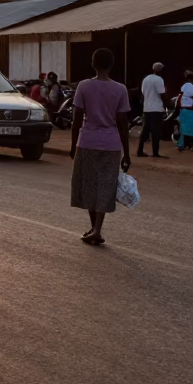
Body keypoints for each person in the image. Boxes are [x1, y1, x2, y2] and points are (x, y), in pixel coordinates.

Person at [70, 48, 131, 246]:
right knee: (105, 186)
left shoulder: (84, 86)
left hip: (87, 141)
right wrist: (127, 152)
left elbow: (77, 118)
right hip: (111, 144)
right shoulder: (120, 89)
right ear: (111, 65)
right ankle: (96, 229)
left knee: (89, 184)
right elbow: (122, 122)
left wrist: (73, 145)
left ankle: (94, 229)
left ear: (93, 63)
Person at [137, 62, 168, 158]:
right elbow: (162, 94)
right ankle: (155, 152)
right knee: (156, 131)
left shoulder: (146, 79)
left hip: (147, 108)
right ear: (160, 70)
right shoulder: (159, 79)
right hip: (156, 108)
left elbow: (142, 94)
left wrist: (143, 104)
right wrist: (167, 103)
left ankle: (139, 150)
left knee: (146, 129)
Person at [176, 69, 193, 153]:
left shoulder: (189, 85)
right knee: (188, 128)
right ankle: (186, 145)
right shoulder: (192, 84)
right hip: (188, 108)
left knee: (186, 128)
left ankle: (186, 145)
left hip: (188, 109)